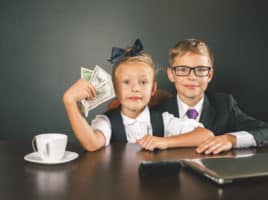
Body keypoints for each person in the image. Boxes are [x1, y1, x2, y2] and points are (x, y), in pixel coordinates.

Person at [63, 39, 213, 152]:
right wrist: (70, 103)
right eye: (127, 82)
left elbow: (205, 135)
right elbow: (91, 143)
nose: (135, 88)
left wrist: (165, 142)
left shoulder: (164, 120)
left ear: (153, 88)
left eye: (143, 82)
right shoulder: (107, 122)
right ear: (115, 88)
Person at [154, 38, 268, 155]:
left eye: (200, 70)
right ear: (171, 74)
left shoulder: (224, 105)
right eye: (182, 70)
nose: (192, 77)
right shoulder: (158, 112)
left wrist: (231, 139)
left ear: (209, 75)